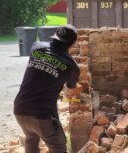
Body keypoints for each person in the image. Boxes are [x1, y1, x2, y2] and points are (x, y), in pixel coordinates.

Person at [14, 24, 80, 153]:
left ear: (55, 37)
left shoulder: (36, 46)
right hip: (42, 115)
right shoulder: (72, 66)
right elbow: (70, 90)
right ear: (72, 44)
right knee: (59, 148)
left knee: (31, 139)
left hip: (20, 109)